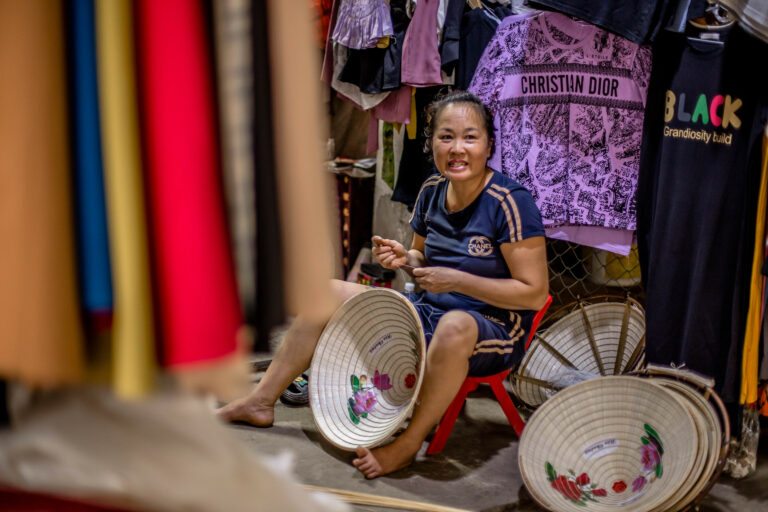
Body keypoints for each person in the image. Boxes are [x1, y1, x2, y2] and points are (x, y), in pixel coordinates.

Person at [217, 90, 548, 478]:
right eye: (446, 136)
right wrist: (407, 260)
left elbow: (534, 292)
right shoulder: (431, 192)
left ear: (488, 144)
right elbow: (424, 260)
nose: (458, 148)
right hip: (430, 314)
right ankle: (261, 401)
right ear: (432, 144)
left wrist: (457, 280)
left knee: (456, 324)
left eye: (470, 137)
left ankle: (407, 446)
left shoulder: (509, 200)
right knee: (328, 292)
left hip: (493, 327)